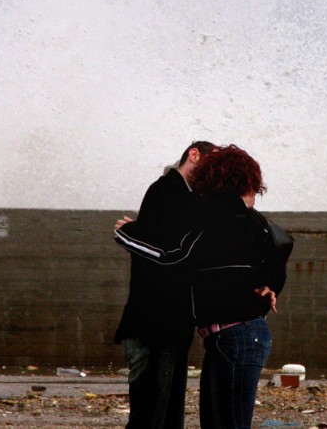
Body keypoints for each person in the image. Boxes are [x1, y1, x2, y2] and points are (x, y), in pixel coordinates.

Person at [115, 145, 287, 429]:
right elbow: (281, 246)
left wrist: (127, 235)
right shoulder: (252, 221)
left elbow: (175, 256)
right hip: (233, 337)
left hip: (233, 337)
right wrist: (271, 284)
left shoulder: (219, 216)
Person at [113, 141, 216, 429]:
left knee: (159, 416)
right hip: (155, 328)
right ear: (193, 155)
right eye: (211, 165)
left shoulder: (180, 195)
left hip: (164, 328)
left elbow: (162, 244)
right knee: (154, 417)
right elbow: (172, 254)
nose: (213, 175)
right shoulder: (169, 191)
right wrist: (129, 234)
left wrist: (132, 233)